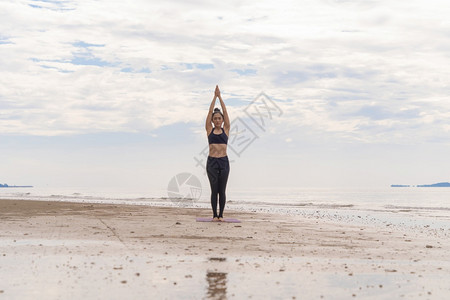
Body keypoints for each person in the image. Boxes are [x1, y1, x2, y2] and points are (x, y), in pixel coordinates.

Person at [205, 85, 230, 222]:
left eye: (219, 118)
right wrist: (214, 97)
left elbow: (225, 112)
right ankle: (215, 215)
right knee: (214, 191)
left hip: (224, 163)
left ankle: (221, 216)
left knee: (222, 191)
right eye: (215, 119)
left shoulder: (226, 129)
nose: (218, 120)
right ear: (213, 121)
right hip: (212, 163)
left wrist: (220, 97)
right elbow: (209, 112)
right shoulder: (209, 130)